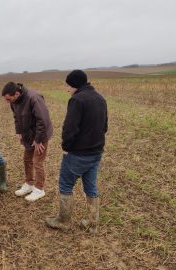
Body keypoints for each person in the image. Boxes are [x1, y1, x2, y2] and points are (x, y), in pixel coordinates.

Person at [45, 70, 108, 234]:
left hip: (77, 154)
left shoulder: (77, 100)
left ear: (74, 85)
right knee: (91, 187)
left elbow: (69, 128)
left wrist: (66, 147)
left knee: (66, 185)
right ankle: (93, 224)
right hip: (96, 153)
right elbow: (105, 127)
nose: (67, 89)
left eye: (68, 85)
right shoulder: (101, 99)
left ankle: (63, 221)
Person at [2, 82, 53, 202]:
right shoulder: (14, 102)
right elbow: (16, 117)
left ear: (17, 93)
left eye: (9, 99)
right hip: (28, 135)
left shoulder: (33, 97)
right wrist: (20, 132)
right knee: (27, 159)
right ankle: (29, 184)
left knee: (37, 161)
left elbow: (43, 120)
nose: (8, 102)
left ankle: (39, 189)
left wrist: (39, 140)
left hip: (41, 134)